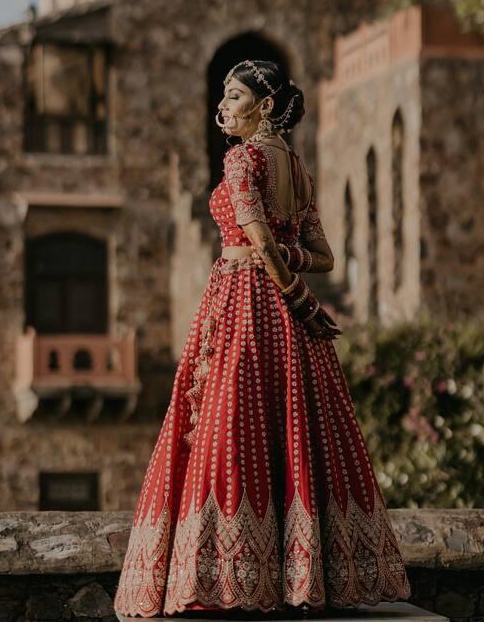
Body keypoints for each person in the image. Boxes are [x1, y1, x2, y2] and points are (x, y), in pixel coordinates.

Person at [114, 60, 411, 620]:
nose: (222, 107)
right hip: (288, 318)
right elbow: (320, 256)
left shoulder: (242, 158)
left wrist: (292, 288)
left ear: (265, 106)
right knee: (291, 426)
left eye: (234, 96)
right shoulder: (297, 169)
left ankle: (232, 581)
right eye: (223, 96)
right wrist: (294, 284)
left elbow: (264, 247)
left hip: (247, 305)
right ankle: (297, 577)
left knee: (231, 428)